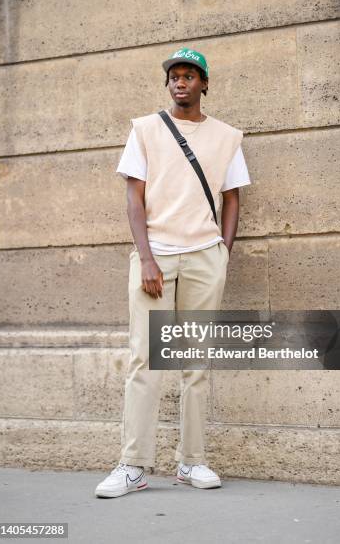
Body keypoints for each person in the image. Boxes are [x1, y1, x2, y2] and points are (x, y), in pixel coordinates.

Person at [95, 47, 251, 497]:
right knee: (145, 360)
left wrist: (223, 251)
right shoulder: (144, 130)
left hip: (205, 255)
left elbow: (233, 197)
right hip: (156, 256)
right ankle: (132, 466)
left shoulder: (226, 137)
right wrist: (145, 257)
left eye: (189, 76)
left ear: (204, 83)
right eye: (174, 76)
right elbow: (133, 197)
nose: (180, 82)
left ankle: (192, 462)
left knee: (196, 364)